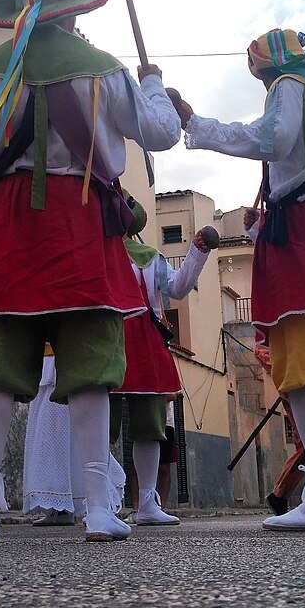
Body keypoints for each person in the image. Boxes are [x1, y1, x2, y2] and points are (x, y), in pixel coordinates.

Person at [0, 0, 182, 543]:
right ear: (74, 17)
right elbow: (162, 133)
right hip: (81, 220)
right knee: (89, 366)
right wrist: (154, 81)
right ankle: (99, 508)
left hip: (8, 225)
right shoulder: (104, 71)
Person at [175, 28, 305, 531]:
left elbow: (270, 138)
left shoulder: (289, 88)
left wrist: (199, 124)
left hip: (300, 232)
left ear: (265, 67)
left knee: (304, 376)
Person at [114, 197, 212, 525]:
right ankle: (95, 504)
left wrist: (198, 251)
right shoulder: (93, 250)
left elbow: (179, 288)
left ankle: (146, 505)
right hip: (106, 340)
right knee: (100, 426)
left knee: (150, 426)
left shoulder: (150, 257)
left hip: (146, 344)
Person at [23, 349, 127, 525]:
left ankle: (96, 504)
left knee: (68, 435)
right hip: (46, 357)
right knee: (48, 438)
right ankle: (60, 509)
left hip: (68, 354)